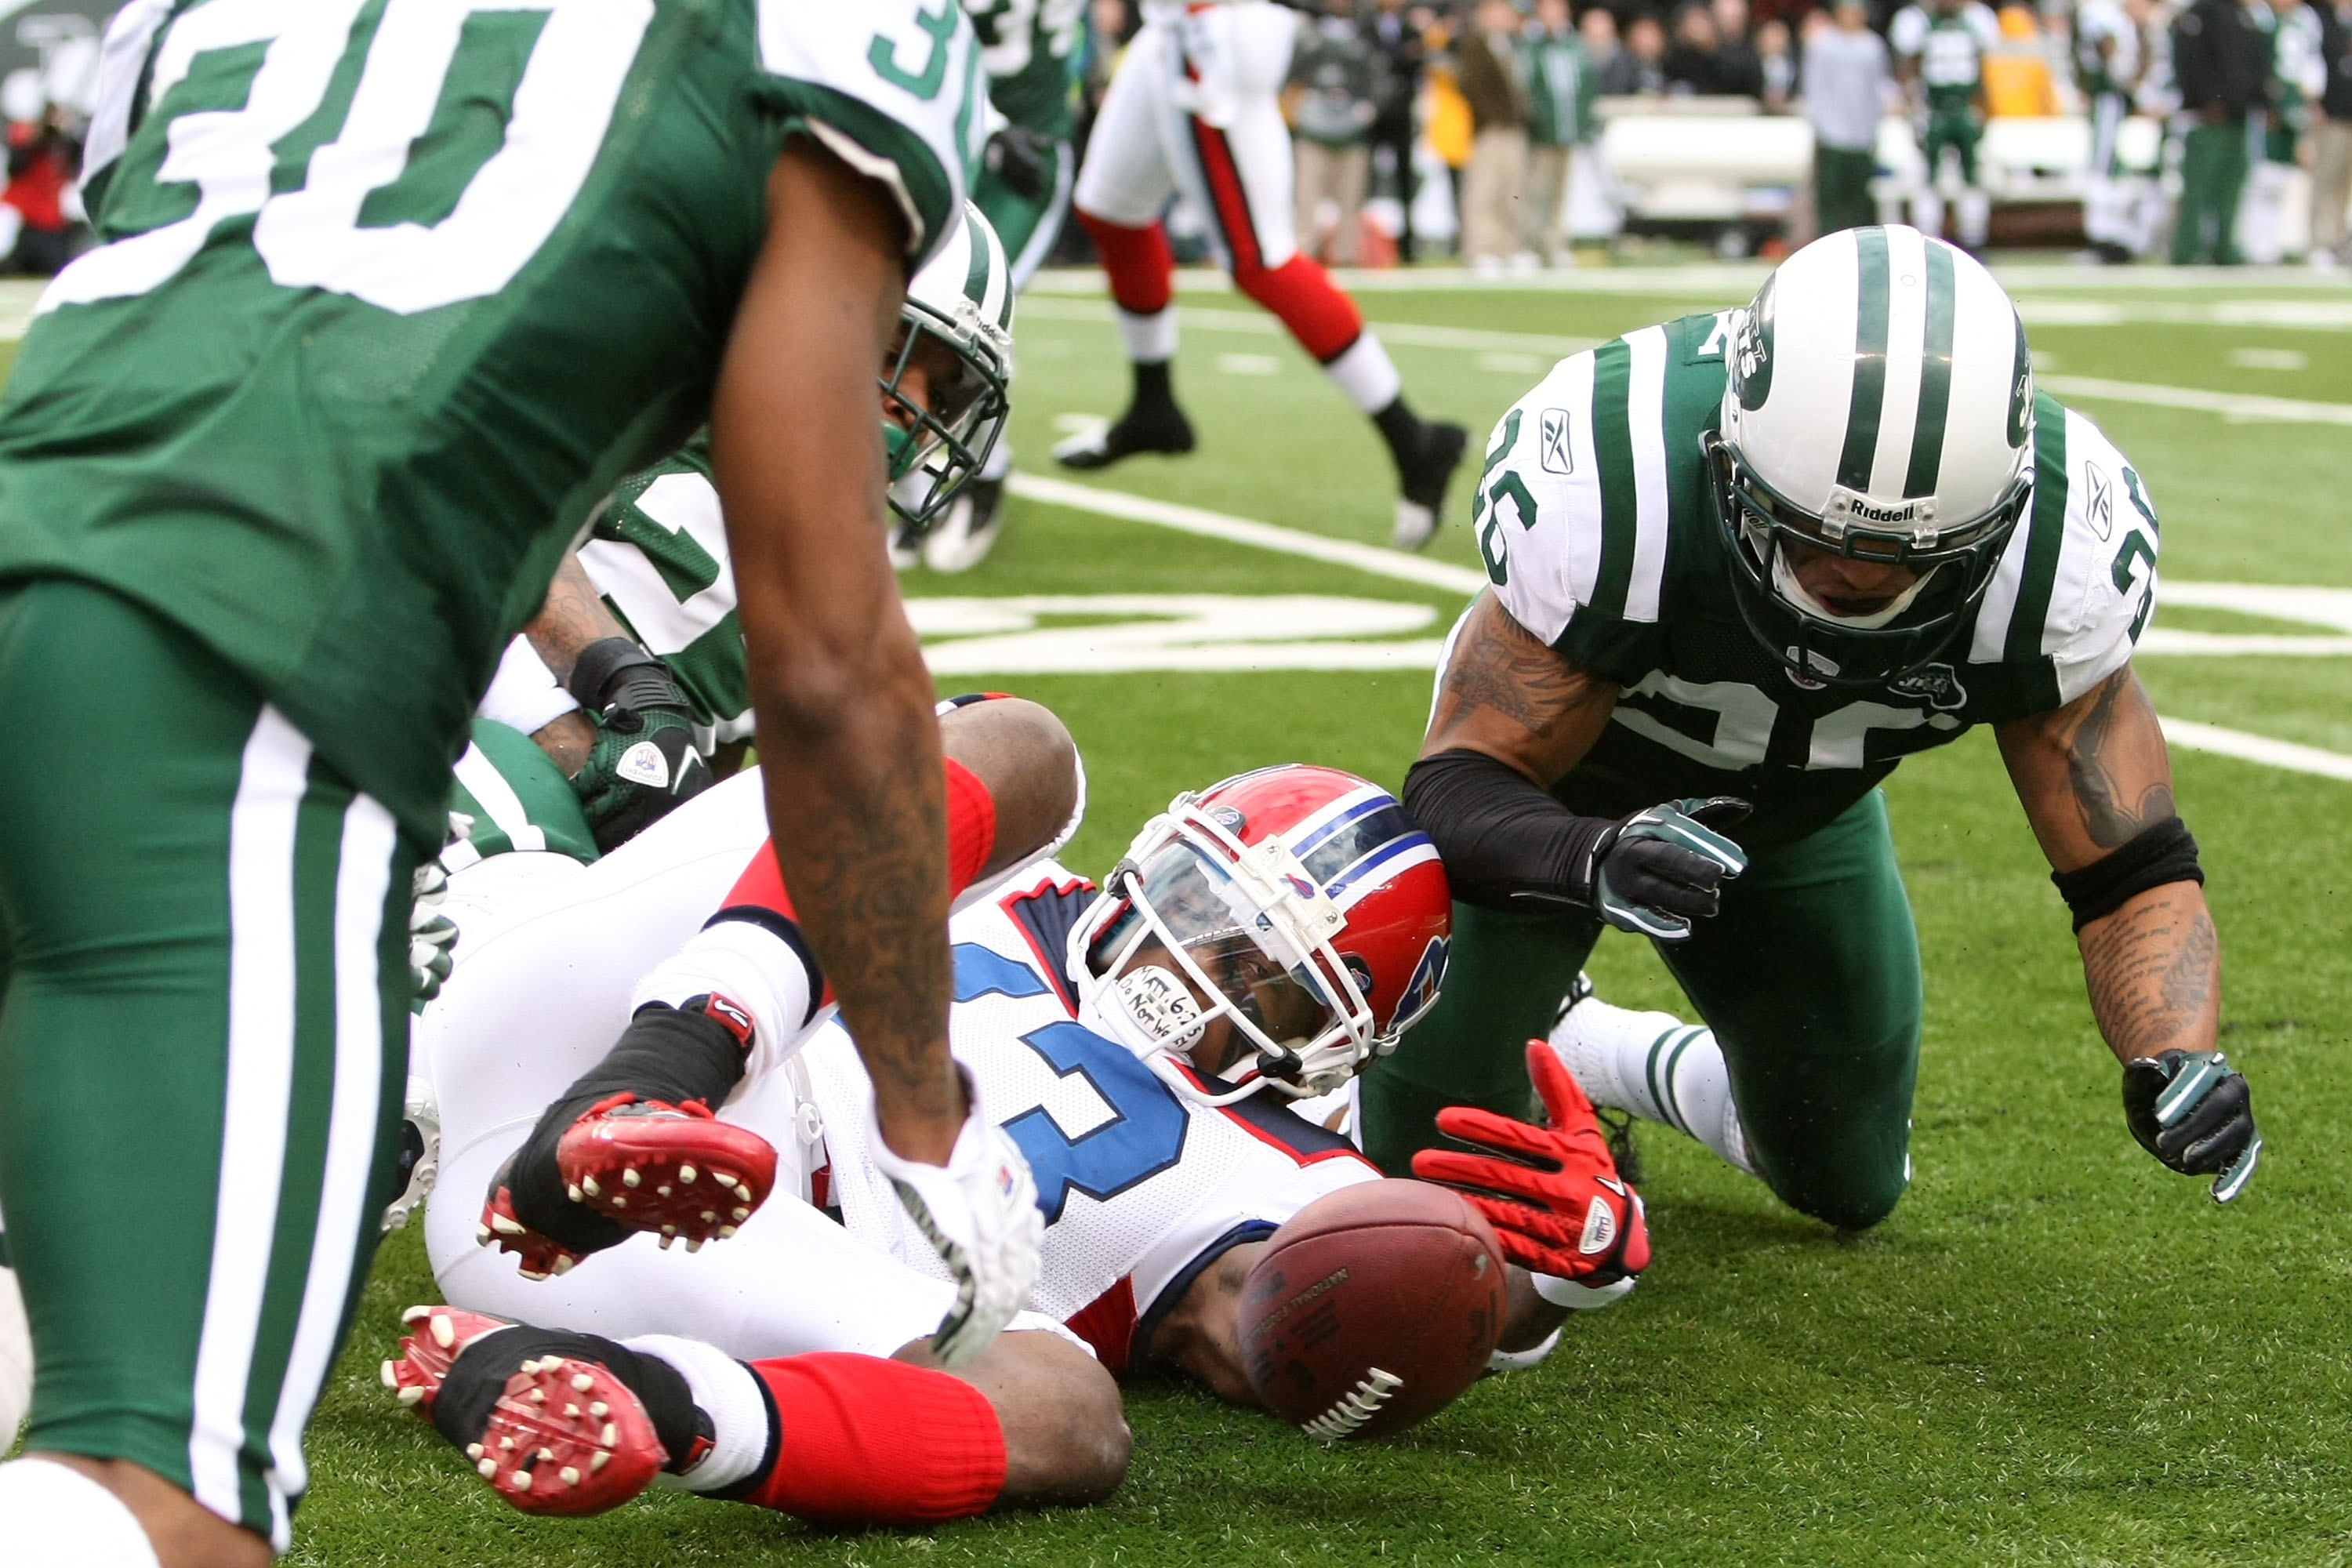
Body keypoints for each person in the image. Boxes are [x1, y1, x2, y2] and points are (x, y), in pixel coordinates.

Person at [0, 5, 1050, 1566]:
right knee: (176, 1496)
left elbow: (251, 330)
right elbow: (832, 668)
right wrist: (919, 1110)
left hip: (52, 530)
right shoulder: (835, 37)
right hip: (239, 669)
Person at [392, 730, 1647, 1524]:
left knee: (1074, 1416)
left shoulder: (1284, 1179)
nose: (1198, 964)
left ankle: (646, 1408)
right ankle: (659, 1068)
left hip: (722, 1252)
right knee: (1025, 748)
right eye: (1204, 907)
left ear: (1336, 1037)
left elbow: (1329, 1324)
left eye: (1262, 976)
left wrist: (1535, 1290)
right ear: (1158, 857)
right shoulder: (1010, 871)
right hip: (624, 1040)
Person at [1357, 226, 2263, 1240]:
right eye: (1813, 535)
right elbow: (1458, 781)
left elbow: (2131, 867)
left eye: (1908, 557)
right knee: (1422, 1199)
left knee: (1850, 1179)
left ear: (1998, 518)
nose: (1854, 581)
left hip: (1792, 817)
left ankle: (1594, 1045)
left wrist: (2174, 1053)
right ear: (1733, 452)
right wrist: (1591, 854)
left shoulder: (2057, 559)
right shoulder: (1625, 480)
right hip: (1559, 804)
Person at [467, 209, 1020, 859]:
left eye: (946, 392)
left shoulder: (836, 587)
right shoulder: (662, 384)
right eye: (892, 353)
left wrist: (671, 826)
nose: (913, 402)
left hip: (582, 811)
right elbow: (483, 524)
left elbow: (701, 781)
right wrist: (615, 685)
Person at [1051, 0, 1469, 550]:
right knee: (1110, 210)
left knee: (1261, 260)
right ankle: (1152, 405)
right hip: (1172, 31)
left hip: (1212, 41)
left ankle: (1414, 439)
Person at [915, 0, 1092, 575]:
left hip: (1024, 159)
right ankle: (916, 491)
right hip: (947, 140)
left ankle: (980, 480)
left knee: (971, 321)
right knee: (897, 308)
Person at [1893, 0, 2002, 249]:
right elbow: (1908, 67)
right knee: (1929, 175)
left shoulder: (1977, 19)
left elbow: (1985, 66)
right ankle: (1926, 241)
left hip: (1965, 107)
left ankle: (1974, 240)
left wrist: (1985, 106)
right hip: (1934, 109)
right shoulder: (1916, 21)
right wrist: (1912, 105)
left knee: (1972, 174)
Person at [2171, 0, 2271, 260]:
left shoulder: (2245, 15)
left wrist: (2260, 101)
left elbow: (2254, 62)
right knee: (2198, 188)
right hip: (2208, 118)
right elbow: (2189, 59)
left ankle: (2225, 248)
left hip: (2239, 116)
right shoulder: (2199, 13)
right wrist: (2206, 100)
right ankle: (2187, 249)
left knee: (2231, 187)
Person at [1290, 0, 1384, 265]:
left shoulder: (1365, 33)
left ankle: (1347, 255)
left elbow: (1380, 76)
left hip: (1352, 127)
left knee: (1351, 198)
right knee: (1307, 196)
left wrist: (1372, 106)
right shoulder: (1310, 34)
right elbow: (1290, 72)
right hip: (1314, 126)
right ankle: (1304, 253)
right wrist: (1297, 104)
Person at [1457, 0, 1534, 269]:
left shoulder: (1511, 44)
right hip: (1489, 129)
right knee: (1484, 191)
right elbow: (1471, 87)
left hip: (1513, 128)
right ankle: (1481, 249)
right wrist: (1492, 118)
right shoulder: (1474, 45)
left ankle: (1508, 247)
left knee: (1511, 191)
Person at [1807, 0, 1895, 234]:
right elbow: (1814, 86)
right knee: (1830, 198)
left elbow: (1879, 87)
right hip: (1832, 135)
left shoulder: (1873, 46)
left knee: (1859, 200)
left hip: (1861, 135)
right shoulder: (1824, 44)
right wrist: (1821, 123)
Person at [1524, 0, 1599, 267]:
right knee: (1535, 192)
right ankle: (1530, 245)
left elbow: (1585, 88)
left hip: (1567, 131)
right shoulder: (1532, 46)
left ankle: (1555, 244)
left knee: (1559, 193)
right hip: (1541, 133)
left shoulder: (1573, 47)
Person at [2077, 0, 2151, 260]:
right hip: (2108, 99)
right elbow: (2113, 58)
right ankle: (2103, 238)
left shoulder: (2114, 14)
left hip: (2119, 100)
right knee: (2104, 167)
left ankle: (2114, 238)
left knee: (2114, 168)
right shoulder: (2101, 11)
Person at [1368, 0, 1431, 261]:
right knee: (1366, 180)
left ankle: (1407, 245)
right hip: (1373, 112)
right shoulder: (1367, 26)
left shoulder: (1410, 29)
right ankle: (1366, 245)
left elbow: (1417, 64)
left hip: (1402, 113)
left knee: (1406, 178)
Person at [2316, 0, 2352, 265]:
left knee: (2345, 187)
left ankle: (2339, 241)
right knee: (2325, 180)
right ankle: (2318, 243)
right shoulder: (2320, 18)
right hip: (2333, 115)